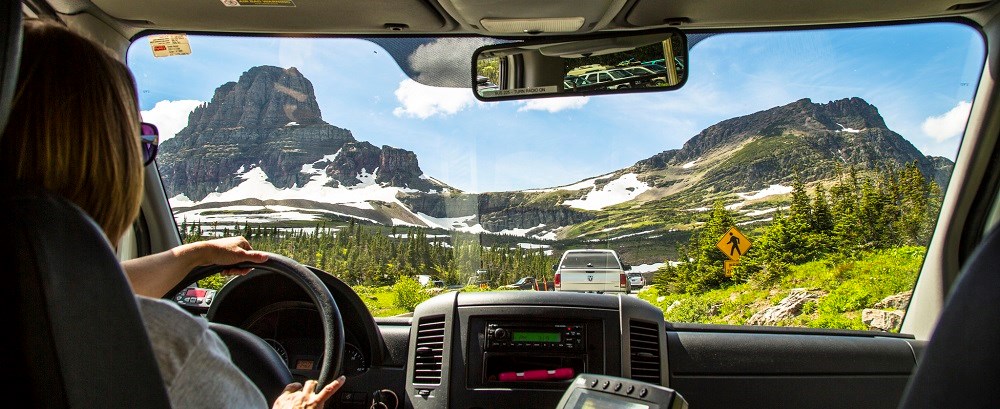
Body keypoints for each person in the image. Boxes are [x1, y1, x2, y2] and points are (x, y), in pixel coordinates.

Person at [0, 19, 345, 409]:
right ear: (108, 161)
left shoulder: (34, 299)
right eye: (141, 142)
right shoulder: (164, 346)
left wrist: (192, 255)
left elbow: (77, 289)